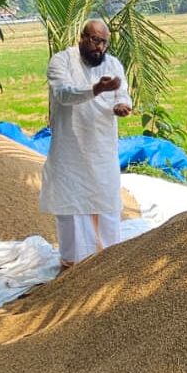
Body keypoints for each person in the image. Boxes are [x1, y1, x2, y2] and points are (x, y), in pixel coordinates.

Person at [40, 19, 133, 269]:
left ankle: (108, 262)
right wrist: (96, 89)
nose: (99, 47)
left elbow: (122, 93)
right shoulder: (61, 62)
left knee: (106, 201)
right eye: (94, 40)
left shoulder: (113, 65)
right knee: (70, 205)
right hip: (69, 149)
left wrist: (122, 105)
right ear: (82, 37)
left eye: (103, 42)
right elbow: (64, 93)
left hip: (101, 148)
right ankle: (73, 266)